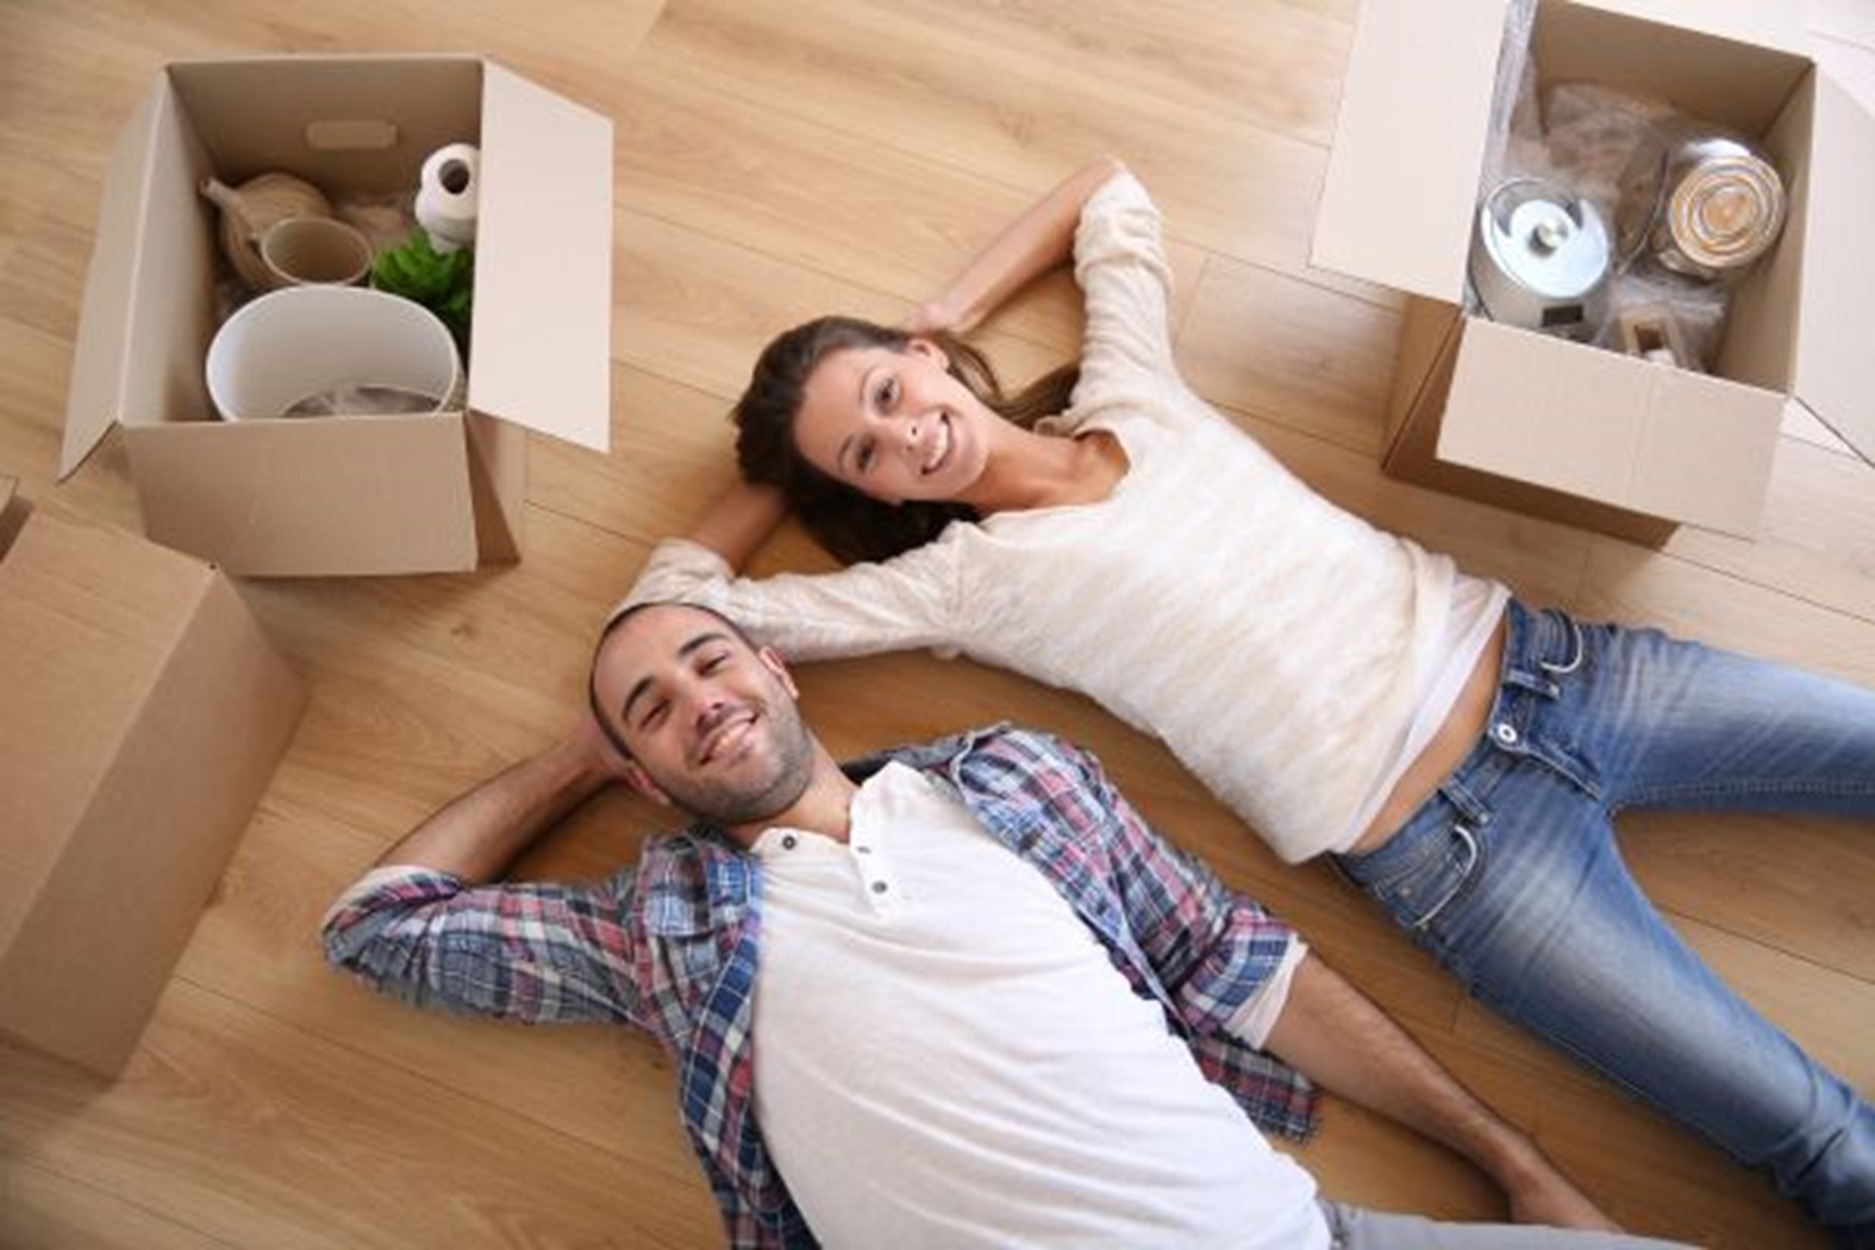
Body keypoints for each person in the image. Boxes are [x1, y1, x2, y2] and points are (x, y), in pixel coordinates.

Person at [620, 156, 1875, 1243]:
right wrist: (790, 469)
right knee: (1816, 1138)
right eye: (865, 456)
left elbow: (1107, 191)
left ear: (924, 358)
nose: (907, 440)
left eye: (892, 395)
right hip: (1464, 859)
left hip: (1559, 670)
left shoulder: (1132, 388)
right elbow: (677, 598)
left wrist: (940, 309)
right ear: (875, 498)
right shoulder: (958, 585)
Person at [323, 600, 1686, 1250]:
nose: (696, 699)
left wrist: (1511, 1163)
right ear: (642, 773)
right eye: (649, 709)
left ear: (772, 665)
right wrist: (573, 757)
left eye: (707, 659)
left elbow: (1243, 966)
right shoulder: (658, 924)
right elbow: (377, 925)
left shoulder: (1014, 773)